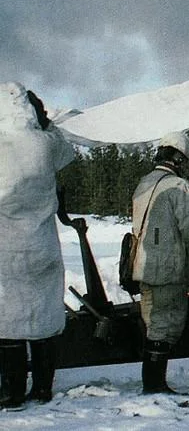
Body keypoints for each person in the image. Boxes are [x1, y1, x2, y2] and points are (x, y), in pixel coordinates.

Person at [0, 83, 75, 410]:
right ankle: (43, 388)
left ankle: (11, 392)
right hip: (43, 247)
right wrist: (47, 124)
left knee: (8, 324)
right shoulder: (45, 145)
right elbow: (67, 151)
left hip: (8, 251)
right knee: (44, 320)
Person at [131, 131, 189, 395]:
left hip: (143, 267)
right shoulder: (179, 187)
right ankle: (154, 386)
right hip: (166, 270)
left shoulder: (144, 184)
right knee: (166, 324)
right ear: (179, 159)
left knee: (154, 325)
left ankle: (152, 383)